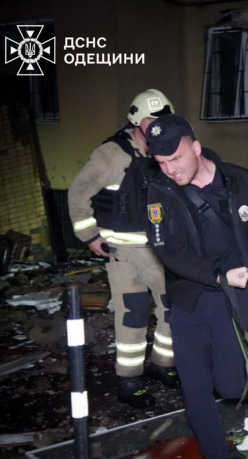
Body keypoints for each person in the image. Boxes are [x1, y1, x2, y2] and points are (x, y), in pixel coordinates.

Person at [144, 114, 248, 459]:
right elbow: (169, 251)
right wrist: (217, 276)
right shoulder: (160, 192)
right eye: (161, 162)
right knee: (194, 389)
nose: (170, 169)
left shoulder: (239, 181)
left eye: (176, 158)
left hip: (234, 299)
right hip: (189, 299)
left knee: (229, 385)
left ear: (195, 147)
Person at [68, 89, 179, 409]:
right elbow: (78, 193)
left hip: (160, 248)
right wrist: (89, 235)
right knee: (134, 313)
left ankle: (163, 363)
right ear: (135, 120)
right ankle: (129, 380)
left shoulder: (164, 151)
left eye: (163, 120)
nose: (157, 127)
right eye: (151, 120)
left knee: (174, 308)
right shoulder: (112, 154)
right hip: (124, 253)